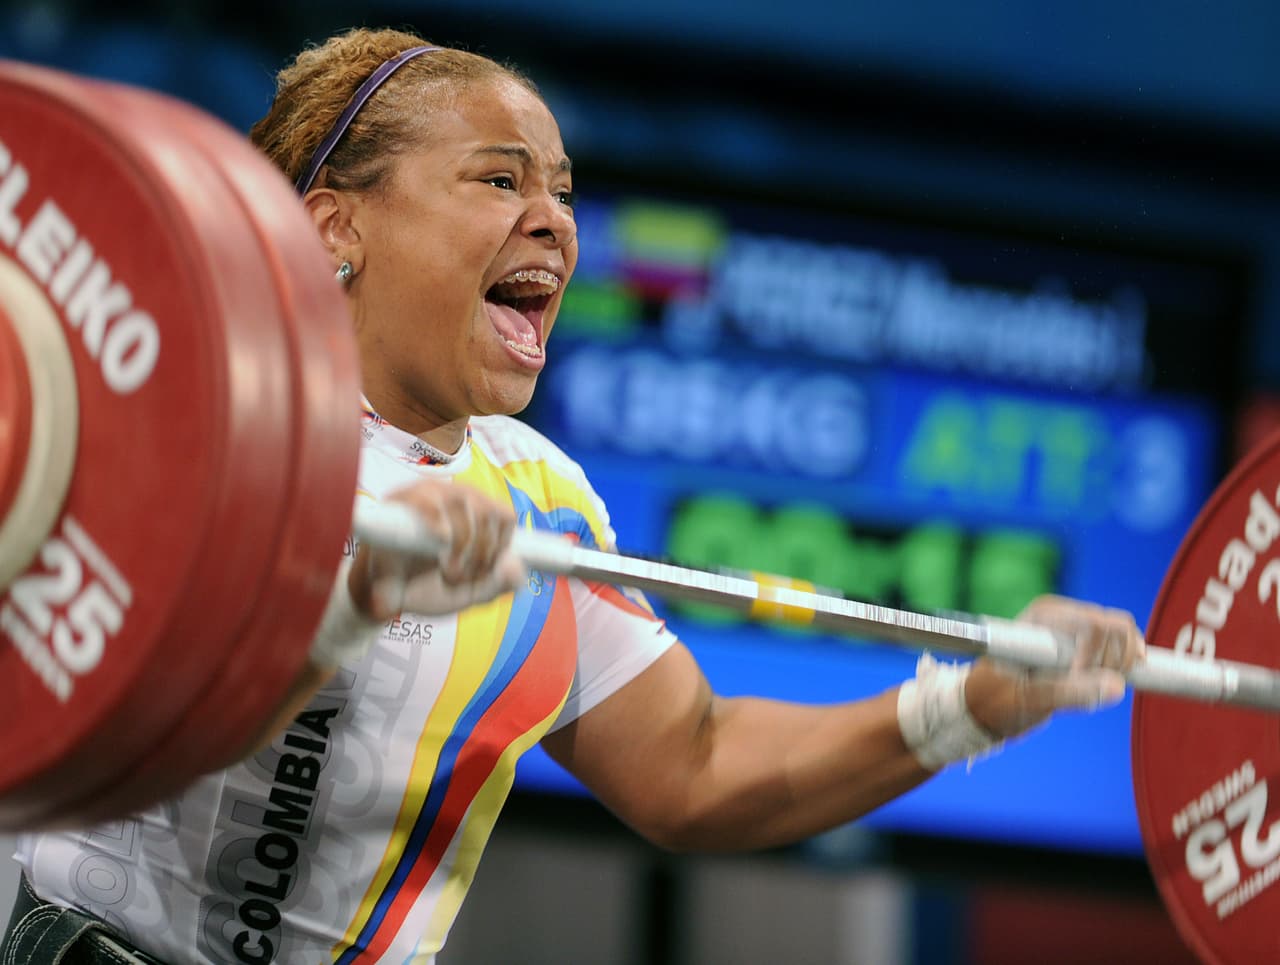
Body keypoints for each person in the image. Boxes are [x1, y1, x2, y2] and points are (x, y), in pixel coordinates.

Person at [4, 26, 1144, 965]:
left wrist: (976, 703)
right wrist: (358, 601)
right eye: (498, 178)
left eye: (560, 189)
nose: (553, 218)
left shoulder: (542, 497)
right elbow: (167, 718)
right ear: (335, 226)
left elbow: (693, 764)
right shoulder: (179, 401)